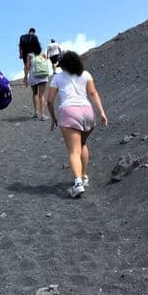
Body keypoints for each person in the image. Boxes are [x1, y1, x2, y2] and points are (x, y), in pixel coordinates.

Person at [46, 51, 108, 198]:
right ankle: (84, 176)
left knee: (74, 151)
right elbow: (93, 93)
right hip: (87, 112)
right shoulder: (86, 74)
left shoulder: (57, 78)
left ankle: (78, 184)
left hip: (69, 112)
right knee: (82, 145)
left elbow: (49, 100)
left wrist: (53, 117)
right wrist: (102, 113)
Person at [23, 42, 50, 119]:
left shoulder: (29, 55)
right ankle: (42, 115)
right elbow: (45, 64)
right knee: (42, 95)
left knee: (35, 94)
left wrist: (25, 77)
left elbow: (27, 67)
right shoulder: (43, 54)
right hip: (43, 76)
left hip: (33, 76)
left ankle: (36, 112)